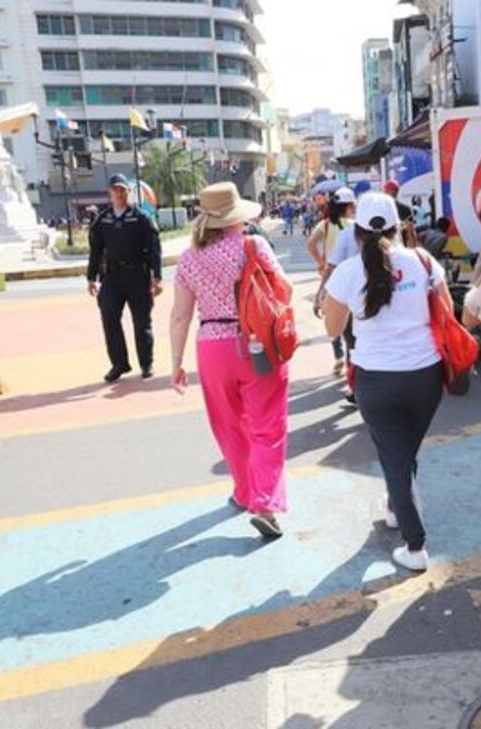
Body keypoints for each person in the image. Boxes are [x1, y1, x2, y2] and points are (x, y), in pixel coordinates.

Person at [322, 192, 452, 573]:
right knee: (405, 451)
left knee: (394, 458)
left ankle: (416, 545)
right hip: (426, 376)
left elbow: (332, 327)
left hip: (376, 380)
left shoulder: (347, 272)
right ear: (398, 227)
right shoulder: (423, 261)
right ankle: (397, 506)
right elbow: (445, 310)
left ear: (358, 232)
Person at [169, 182, 290, 540]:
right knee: (268, 427)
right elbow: (283, 287)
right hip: (256, 344)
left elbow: (180, 316)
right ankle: (265, 503)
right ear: (237, 216)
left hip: (212, 347)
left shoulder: (188, 259)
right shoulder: (253, 245)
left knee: (229, 426)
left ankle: (243, 491)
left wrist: (176, 362)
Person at [88, 174, 163, 382]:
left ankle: (146, 363)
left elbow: (154, 249)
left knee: (142, 321)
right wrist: (91, 278)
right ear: (110, 193)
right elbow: (95, 251)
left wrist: (156, 277)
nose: (119, 193)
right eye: (115, 190)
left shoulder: (141, 218)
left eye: (123, 189)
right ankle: (119, 364)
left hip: (137, 275)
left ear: (128, 192)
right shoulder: (103, 220)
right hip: (111, 278)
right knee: (109, 317)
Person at [307, 188, 357, 377]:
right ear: (350, 206)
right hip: (354, 280)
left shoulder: (325, 225)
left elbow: (311, 243)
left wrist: (321, 262)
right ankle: (351, 366)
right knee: (352, 325)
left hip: (332, 276)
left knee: (333, 317)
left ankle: (338, 355)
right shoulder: (356, 226)